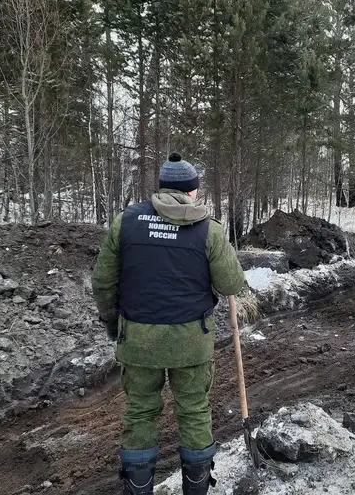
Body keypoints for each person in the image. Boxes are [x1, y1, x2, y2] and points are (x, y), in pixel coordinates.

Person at [92, 152, 245, 495]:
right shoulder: (209, 229)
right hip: (191, 341)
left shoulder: (126, 222)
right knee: (193, 412)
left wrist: (111, 324)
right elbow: (231, 285)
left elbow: (103, 282)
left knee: (140, 414)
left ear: (161, 188)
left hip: (138, 340)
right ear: (192, 191)